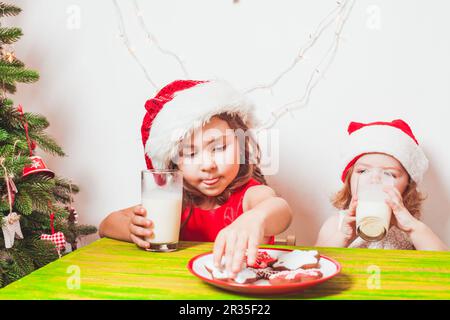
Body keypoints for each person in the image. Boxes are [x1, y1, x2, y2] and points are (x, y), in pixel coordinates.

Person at [99, 79, 293, 276]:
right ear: (174, 163)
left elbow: (279, 209)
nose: (208, 165)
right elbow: (107, 224)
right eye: (190, 154)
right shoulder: (173, 203)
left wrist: (256, 218)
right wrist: (133, 229)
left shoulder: (251, 195)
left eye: (219, 148)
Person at [316, 119, 448, 251]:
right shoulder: (337, 225)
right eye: (363, 171)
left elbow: (443, 264)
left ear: (408, 186)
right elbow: (314, 263)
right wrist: (343, 237)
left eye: (389, 174)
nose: (375, 179)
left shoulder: (409, 228)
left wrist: (412, 227)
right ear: (349, 180)